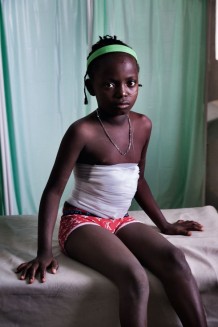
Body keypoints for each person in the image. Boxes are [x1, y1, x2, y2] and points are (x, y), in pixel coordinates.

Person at [16, 35, 208, 327]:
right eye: (109, 84)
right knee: (135, 277)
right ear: (91, 86)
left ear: (138, 83)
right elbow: (54, 191)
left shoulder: (143, 125)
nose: (122, 92)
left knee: (175, 260)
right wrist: (43, 251)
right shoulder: (82, 131)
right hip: (82, 222)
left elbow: (139, 180)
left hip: (121, 219)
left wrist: (165, 224)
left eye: (130, 83)